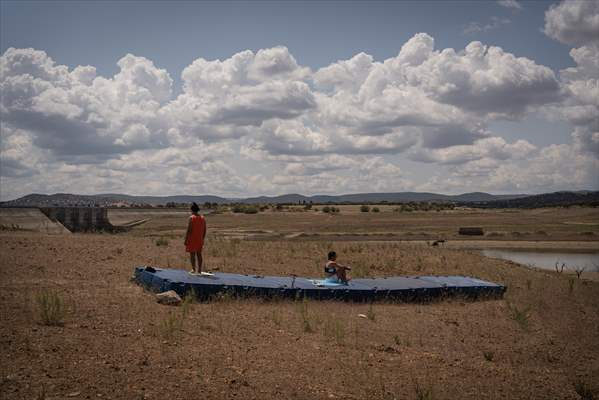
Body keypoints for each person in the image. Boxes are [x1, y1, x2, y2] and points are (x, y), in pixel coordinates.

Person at [184, 202, 207, 273]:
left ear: (191, 210)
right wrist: (202, 238)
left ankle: (193, 269)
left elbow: (189, 230)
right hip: (200, 239)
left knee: (192, 254)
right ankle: (199, 269)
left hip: (192, 239)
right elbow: (204, 230)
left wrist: (186, 239)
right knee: (199, 254)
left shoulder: (191, 218)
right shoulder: (203, 218)